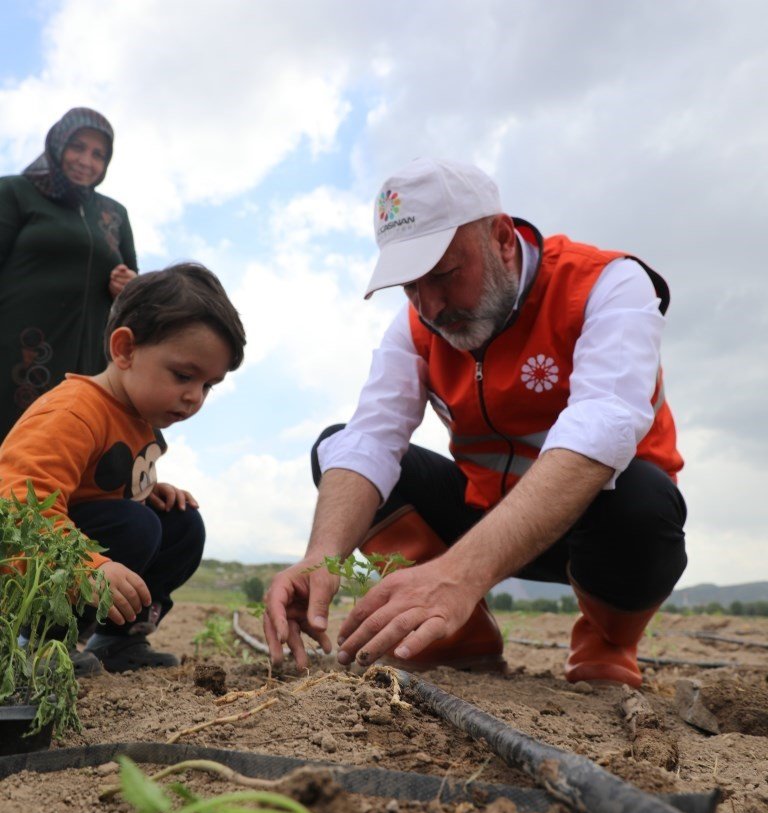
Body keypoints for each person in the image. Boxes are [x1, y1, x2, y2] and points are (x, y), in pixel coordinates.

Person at [265, 157, 687, 688]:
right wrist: (319, 558)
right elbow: (371, 436)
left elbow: (599, 431)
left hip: (594, 528)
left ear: (502, 237)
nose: (432, 307)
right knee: (337, 449)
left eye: (443, 275)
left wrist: (458, 575)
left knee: (642, 499)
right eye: (410, 288)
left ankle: (607, 642)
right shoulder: (418, 325)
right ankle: (455, 639)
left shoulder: (608, 285)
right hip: (481, 515)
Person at [0, 263, 246, 674]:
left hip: (79, 546)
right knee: (137, 526)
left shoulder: (140, 417)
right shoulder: (73, 412)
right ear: (126, 350)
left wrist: (148, 491)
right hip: (25, 571)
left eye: (207, 385)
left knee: (181, 524)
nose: (194, 397)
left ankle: (118, 641)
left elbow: (97, 490)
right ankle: (35, 640)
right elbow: (18, 511)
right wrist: (89, 569)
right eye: (184, 375)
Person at [0, 107, 138, 441]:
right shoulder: (16, 191)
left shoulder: (114, 214)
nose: (86, 160)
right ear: (58, 144)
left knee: (65, 446)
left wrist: (128, 286)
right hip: (18, 349)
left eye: (98, 154)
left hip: (88, 359)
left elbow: (138, 291)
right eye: (77, 147)